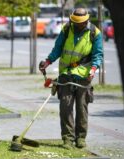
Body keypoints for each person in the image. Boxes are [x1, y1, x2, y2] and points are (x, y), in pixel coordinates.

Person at [39, 8, 103, 149]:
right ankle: (67, 138)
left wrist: (93, 69)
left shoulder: (94, 33)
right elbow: (58, 48)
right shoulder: (67, 29)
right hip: (66, 74)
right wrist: (48, 61)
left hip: (84, 75)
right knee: (65, 108)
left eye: (80, 23)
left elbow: (98, 54)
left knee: (82, 108)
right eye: (74, 22)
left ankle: (80, 138)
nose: (77, 25)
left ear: (86, 20)